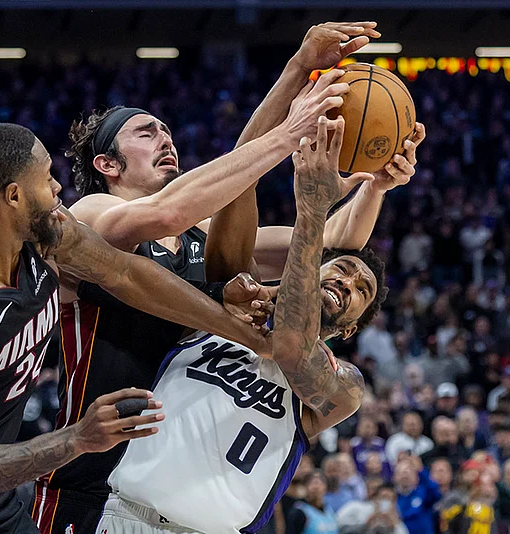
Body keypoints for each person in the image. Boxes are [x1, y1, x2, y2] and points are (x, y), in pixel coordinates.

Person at [36, 21, 425, 533]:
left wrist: (374, 183)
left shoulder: (200, 233)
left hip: (159, 458)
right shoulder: (91, 213)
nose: (165, 138)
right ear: (107, 163)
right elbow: (167, 212)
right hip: (86, 472)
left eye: (167, 131)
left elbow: (328, 245)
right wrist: (289, 130)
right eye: (146, 132)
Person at [0, 123, 272, 533]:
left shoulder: (48, 237)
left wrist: (244, 330)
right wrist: (78, 438)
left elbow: (126, 274)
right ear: (14, 196)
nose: (58, 188)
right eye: (46, 179)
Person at [94, 117, 386, 534]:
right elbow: (240, 183)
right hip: (130, 516)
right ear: (309, 268)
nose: (347, 282)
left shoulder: (344, 385)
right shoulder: (225, 310)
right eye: (341, 269)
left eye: (361, 290)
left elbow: (291, 347)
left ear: (351, 329)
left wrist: (313, 211)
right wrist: (286, 123)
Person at [394, 455, 443, 534]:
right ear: (395, 477)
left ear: (416, 476)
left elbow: (436, 493)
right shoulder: (391, 496)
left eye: (409, 472)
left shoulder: (423, 492)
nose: (405, 475)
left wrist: (421, 470)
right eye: (401, 472)